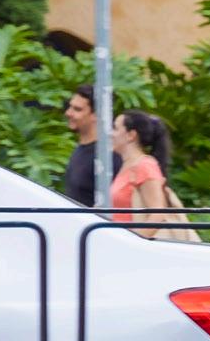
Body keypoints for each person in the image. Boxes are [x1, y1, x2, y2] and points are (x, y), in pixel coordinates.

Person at [107, 110, 197, 240]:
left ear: (131, 135)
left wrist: (134, 242)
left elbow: (157, 214)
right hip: (118, 241)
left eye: (115, 128)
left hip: (129, 246)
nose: (110, 133)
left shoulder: (144, 166)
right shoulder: (126, 166)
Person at [62, 85, 121, 208]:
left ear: (97, 114)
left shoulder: (108, 156)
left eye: (77, 109)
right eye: (70, 107)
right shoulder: (81, 149)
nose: (68, 113)